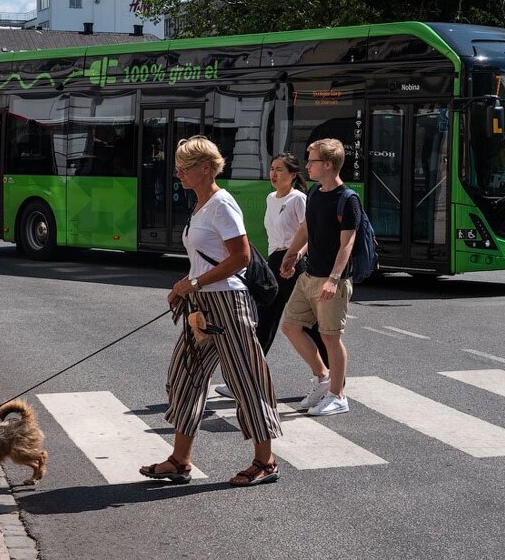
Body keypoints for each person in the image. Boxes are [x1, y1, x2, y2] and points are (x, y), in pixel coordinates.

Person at [140, 135, 282, 487]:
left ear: (205, 168)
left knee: (245, 379)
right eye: (177, 168)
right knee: (185, 377)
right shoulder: (200, 205)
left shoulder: (222, 204)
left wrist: (196, 284)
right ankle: (180, 460)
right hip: (202, 304)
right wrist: (182, 286)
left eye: (184, 168)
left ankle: (265, 461)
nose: (178, 174)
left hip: (229, 303)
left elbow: (241, 257)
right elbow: (203, 258)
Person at [213, 153, 326, 399]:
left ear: (293, 175)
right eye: (272, 169)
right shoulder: (270, 198)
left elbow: (308, 233)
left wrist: (295, 257)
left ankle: (327, 378)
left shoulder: (299, 199)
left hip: (294, 262)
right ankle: (246, 378)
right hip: (275, 260)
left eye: (280, 170)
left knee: (306, 323)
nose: (273, 174)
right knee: (264, 320)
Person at [280, 138, 359, 417]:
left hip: (330, 279)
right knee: (290, 326)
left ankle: (338, 396)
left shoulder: (347, 200)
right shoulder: (314, 192)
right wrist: (292, 255)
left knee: (330, 336)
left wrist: (334, 279)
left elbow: (347, 244)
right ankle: (323, 377)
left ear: (328, 164)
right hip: (309, 274)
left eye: (311, 161)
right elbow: (306, 228)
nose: (307, 166)